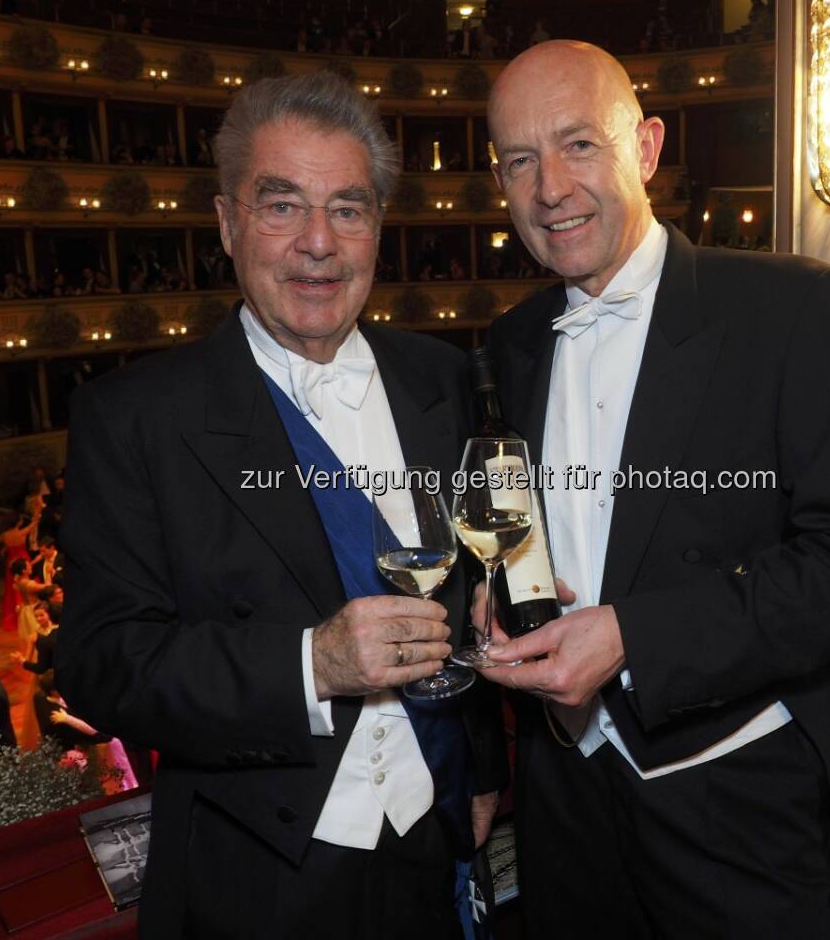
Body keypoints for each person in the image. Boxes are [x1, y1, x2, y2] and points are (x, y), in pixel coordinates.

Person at [474, 41, 830, 939]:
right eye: (520, 161)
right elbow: (512, 534)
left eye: (578, 145)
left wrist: (634, 636)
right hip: (568, 803)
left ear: (646, 148)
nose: (550, 185)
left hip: (741, 804)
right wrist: (492, 593)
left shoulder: (796, 310)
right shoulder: (510, 343)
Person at [56, 72, 507, 939]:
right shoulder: (137, 418)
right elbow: (104, 664)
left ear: (379, 227)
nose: (317, 244)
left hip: (433, 841)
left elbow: (471, 594)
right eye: (281, 206)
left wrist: (480, 767)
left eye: (348, 208)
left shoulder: (442, 383)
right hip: (253, 875)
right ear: (227, 223)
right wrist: (312, 667)